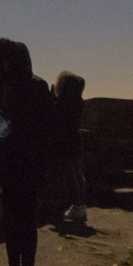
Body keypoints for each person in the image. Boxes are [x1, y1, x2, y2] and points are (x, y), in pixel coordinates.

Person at [0, 38, 57, 266]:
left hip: (28, 167)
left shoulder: (36, 87)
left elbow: (45, 132)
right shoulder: (3, 87)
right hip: (9, 165)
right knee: (11, 222)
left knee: (25, 222)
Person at [52, 71, 88, 224]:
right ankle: (81, 205)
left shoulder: (63, 103)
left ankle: (76, 206)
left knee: (70, 174)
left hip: (65, 142)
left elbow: (55, 118)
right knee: (78, 173)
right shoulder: (79, 102)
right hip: (75, 140)